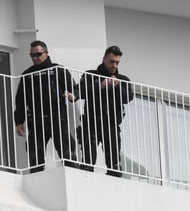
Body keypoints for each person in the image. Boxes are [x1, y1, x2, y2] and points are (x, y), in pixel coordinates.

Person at [13, 41, 78, 172]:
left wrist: (73, 96)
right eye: (32, 55)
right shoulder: (27, 74)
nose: (35, 58)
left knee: (67, 152)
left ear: (46, 53)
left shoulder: (57, 70)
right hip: (36, 120)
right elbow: (20, 99)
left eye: (38, 54)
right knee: (34, 156)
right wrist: (19, 122)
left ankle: (74, 179)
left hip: (57, 118)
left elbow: (73, 88)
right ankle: (37, 183)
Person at [78, 46, 134, 177]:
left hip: (112, 124)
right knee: (87, 161)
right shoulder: (90, 75)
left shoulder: (122, 79)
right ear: (103, 59)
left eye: (117, 62)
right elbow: (80, 91)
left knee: (114, 164)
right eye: (111, 61)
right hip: (91, 123)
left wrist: (117, 86)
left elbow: (128, 98)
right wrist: (101, 86)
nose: (114, 65)